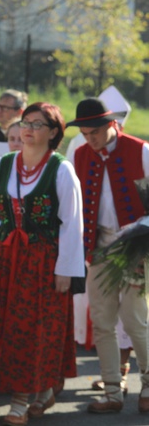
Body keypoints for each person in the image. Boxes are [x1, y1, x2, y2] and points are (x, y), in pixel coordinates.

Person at [0, 102, 85, 425]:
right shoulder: (5, 164)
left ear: (53, 133)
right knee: (0, 326)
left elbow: (71, 225)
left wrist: (66, 270)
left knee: (32, 328)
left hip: (42, 261)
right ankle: (44, 389)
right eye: (26, 122)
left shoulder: (61, 170)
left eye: (38, 124)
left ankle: (20, 400)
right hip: (5, 258)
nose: (28, 129)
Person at [66, 98, 149, 414]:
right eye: (85, 133)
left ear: (111, 125)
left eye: (95, 132)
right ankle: (113, 390)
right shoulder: (79, 155)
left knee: (135, 318)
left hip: (136, 246)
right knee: (101, 321)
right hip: (98, 247)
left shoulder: (140, 150)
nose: (91, 139)